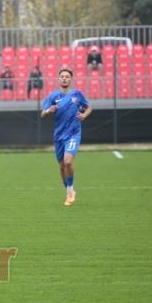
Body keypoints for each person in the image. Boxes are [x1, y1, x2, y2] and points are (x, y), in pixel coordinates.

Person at [41, 67, 93, 206]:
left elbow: (88, 107)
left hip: (73, 134)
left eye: (67, 76)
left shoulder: (77, 94)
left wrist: (84, 115)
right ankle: (69, 190)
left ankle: (70, 191)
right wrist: (49, 110)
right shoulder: (53, 96)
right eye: (62, 76)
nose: (64, 78)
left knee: (68, 162)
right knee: (62, 167)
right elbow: (43, 114)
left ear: (71, 79)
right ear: (58, 79)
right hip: (59, 136)